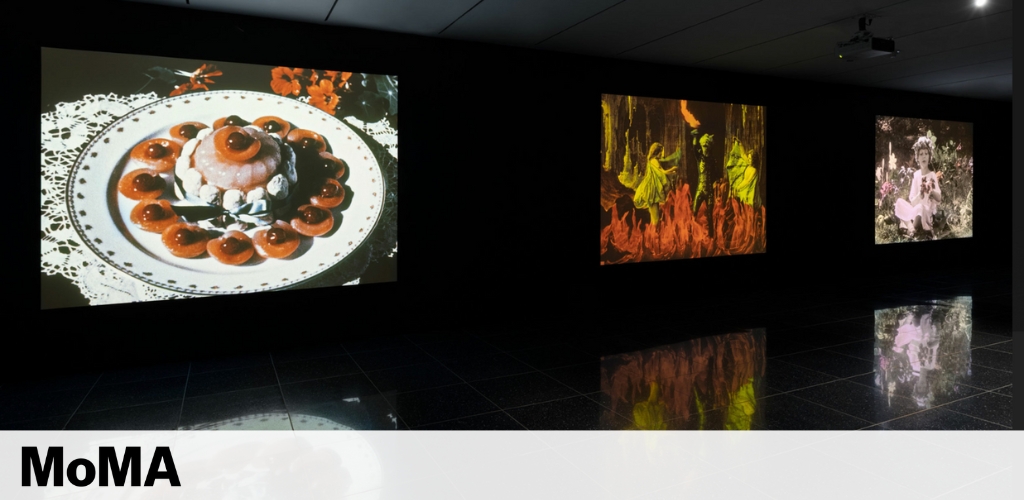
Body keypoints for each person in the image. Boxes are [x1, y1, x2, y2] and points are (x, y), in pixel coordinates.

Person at [894, 136, 941, 239]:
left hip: (926, 212)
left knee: (921, 207)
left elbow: (939, 198)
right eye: (921, 154)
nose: (924, 156)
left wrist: (931, 191)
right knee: (899, 202)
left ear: (929, 156)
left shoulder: (932, 175)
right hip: (916, 211)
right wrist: (920, 194)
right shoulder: (916, 175)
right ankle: (911, 228)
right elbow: (913, 202)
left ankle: (908, 227)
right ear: (917, 158)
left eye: (926, 153)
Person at [632, 142, 678, 226]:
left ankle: (652, 235)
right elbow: (663, 172)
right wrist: (673, 169)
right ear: (658, 152)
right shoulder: (654, 161)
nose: (663, 154)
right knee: (656, 220)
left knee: (654, 219)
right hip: (652, 192)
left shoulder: (652, 161)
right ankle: (654, 236)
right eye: (662, 152)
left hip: (653, 192)